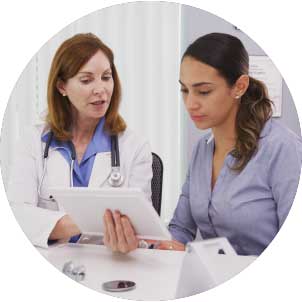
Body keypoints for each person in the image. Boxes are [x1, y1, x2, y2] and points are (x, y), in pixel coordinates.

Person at [103, 32, 302, 256]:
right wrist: (152, 244)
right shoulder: (202, 149)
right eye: (184, 90)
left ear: (239, 86)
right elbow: (180, 228)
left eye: (204, 91)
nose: (190, 103)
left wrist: (198, 256)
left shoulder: (283, 148)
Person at [7, 33, 153, 249]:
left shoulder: (134, 147)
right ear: (62, 87)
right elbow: (16, 214)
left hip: (110, 266)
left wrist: (130, 240)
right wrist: (84, 220)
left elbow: (142, 227)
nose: (100, 89)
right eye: (86, 80)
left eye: (106, 77)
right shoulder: (33, 142)